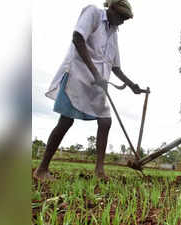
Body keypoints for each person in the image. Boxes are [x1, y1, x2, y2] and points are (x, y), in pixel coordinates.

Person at [34, 0, 144, 180]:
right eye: (122, 17)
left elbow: (115, 67)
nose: (123, 22)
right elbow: (77, 38)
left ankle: (99, 172)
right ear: (113, 9)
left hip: (96, 86)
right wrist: (94, 72)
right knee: (65, 121)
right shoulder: (93, 13)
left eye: (126, 19)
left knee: (105, 121)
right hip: (77, 77)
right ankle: (41, 169)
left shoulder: (114, 33)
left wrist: (132, 85)